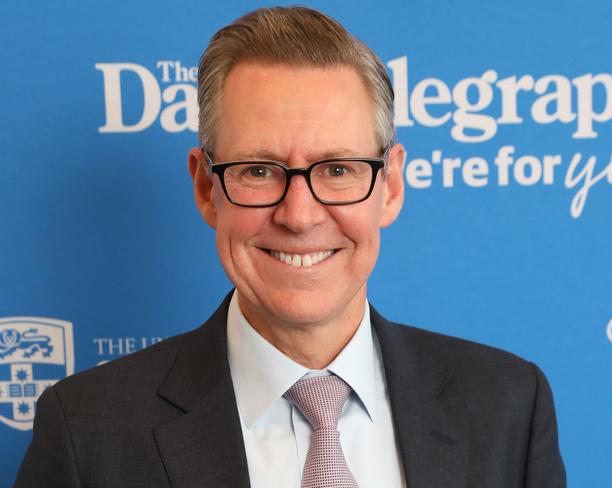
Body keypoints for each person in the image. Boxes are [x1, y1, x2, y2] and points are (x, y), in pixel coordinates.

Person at [15, 6, 566, 488]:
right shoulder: (86, 431)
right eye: (258, 170)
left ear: (391, 186)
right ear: (207, 189)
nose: (299, 216)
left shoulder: (508, 407)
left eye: (338, 169)